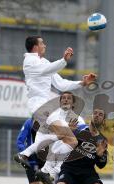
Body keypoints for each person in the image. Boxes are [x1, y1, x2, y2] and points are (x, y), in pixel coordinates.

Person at [14, 35, 96, 168]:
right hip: (38, 106)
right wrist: (63, 60)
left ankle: (41, 167)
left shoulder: (44, 62)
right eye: (42, 43)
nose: (45, 45)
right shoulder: (29, 61)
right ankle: (37, 162)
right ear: (35, 47)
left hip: (46, 106)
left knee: (71, 140)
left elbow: (61, 84)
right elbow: (47, 70)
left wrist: (82, 83)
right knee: (67, 136)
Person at [38, 92, 88, 184]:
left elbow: (82, 139)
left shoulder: (78, 119)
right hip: (52, 155)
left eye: (69, 98)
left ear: (73, 103)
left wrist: (72, 132)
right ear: (60, 102)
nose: (66, 100)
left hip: (68, 159)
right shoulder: (53, 117)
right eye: (63, 98)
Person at [11, 118, 45, 184]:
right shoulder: (29, 122)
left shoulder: (51, 121)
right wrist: (26, 154)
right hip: (32, 160)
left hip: (46, 160)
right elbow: (20, 141)